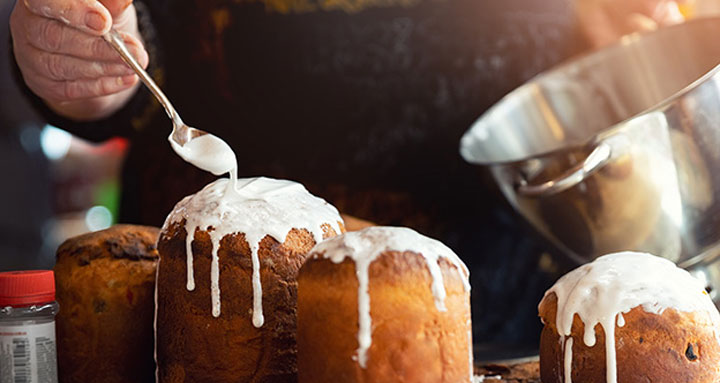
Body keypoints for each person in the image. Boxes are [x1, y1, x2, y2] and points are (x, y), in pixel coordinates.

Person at [8, 0, 686, 357]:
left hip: (503, 315)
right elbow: (117, 44)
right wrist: (87, 58)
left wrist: (603, 18)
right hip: (210, 308)